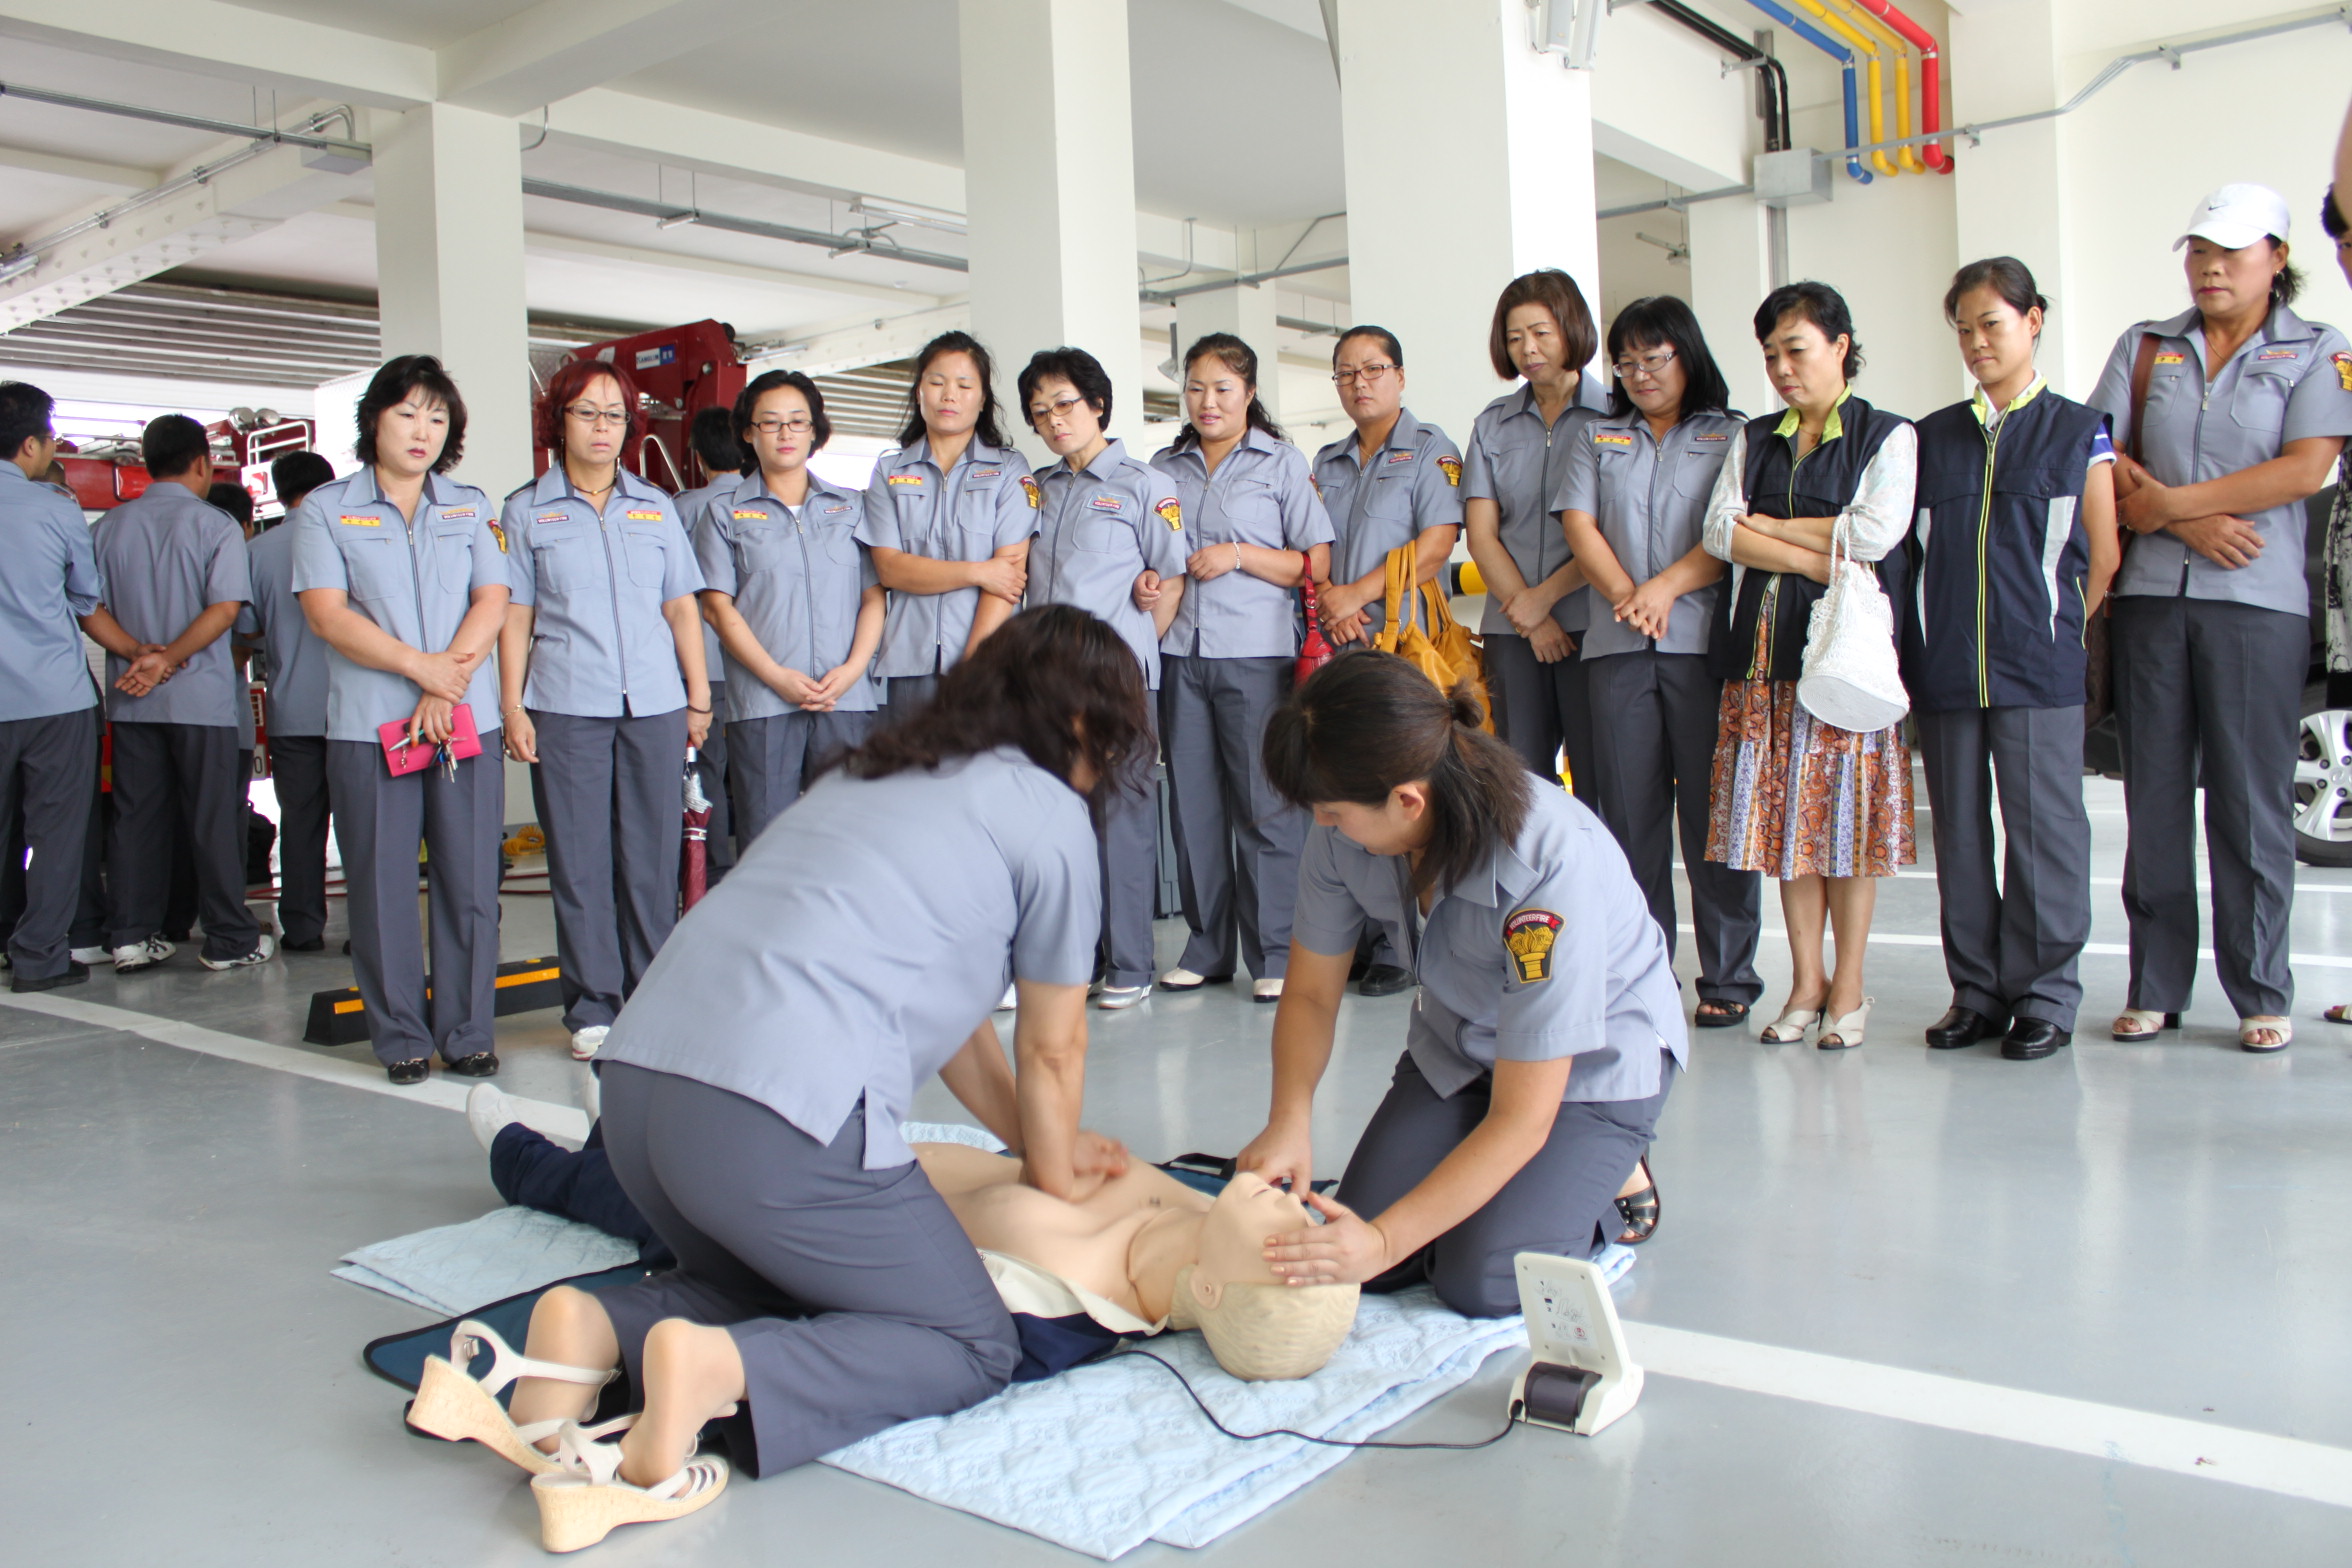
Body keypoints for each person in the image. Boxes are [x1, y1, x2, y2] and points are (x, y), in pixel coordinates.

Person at [417, 606, 1150, 1552]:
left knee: (807, 1292)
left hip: (638, 1095)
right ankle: (715, 1370)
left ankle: (591, 1331)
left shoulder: (878, 769)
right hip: (772, 1125)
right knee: (969, 1341)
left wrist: (1028, 1141)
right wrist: (1053, 1175)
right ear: (1087, 722)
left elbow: (962, 1025)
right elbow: (1053, 1048)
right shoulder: (1050, 816)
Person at [1232, 652, 1686, 1314]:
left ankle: (1612, 1169)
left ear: (1407, 800)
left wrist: (1385, 1241)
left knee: (1483, 1278)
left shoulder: (1546, 861)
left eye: (1331, 812)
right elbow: (1309, 994)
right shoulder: (1349, 825)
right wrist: (1288, 1120)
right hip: (1464, 1044)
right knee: (1356, 1250)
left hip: (1586, 1068)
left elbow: (1523, 1117)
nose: (1322, 826)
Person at [2089, 184, 2352, 1053]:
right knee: (2155, 798)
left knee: (2249, 804)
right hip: (2151, 600)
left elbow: (2305, 468)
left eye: (2231, 253)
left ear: (2277, 258)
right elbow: (2101, 450)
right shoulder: (2146, 346)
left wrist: (2170, 505)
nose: (2210, 268)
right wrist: (2183, 524)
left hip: (2256, 602)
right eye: (2199, 251)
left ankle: (2261, 991)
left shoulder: (2317, 351)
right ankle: (2156, 986)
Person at [1903, 259, 2121, 1062]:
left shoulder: (2078, 429)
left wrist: (2050, 631)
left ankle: (2045, 994)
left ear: (2033, 321)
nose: (1976, 342)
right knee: (1959, 835)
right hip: (1948, 669)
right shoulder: (1930, 438)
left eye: (1991, 323)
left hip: (2040, 668)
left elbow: (2102, 557)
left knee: (2044, 832)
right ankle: (1977, 992)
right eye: (1963, 328)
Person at [1701, 282, 1916, 1051]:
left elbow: (1877, 533)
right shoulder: (1755, 438)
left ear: (1840, 345)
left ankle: (1849, 987)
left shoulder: (1887, 435)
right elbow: (1720, 530)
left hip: (1840, 665)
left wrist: (1776, 530)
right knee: (1786, 831)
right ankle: (1806, 983)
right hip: (1761, 662)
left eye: (1796, 350)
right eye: (1770, 356)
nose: (1783, 369)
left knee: (1846, 831)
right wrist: (1814, 553)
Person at [292, 356, 510, 1085]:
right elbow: (327, 615)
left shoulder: (470, 506)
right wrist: (423, 671)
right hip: (372, 727)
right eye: (408, 413)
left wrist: (447, 684)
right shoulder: (327, 509)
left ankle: (468, 1032)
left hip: (461, 722)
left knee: (470, 884)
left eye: (437, 417)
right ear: (374, 420)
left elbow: (492, 598)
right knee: (382, 887)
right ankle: (402, 1039)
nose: (423, 430)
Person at [1556, 294, 1763, 1033]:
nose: (1640, 373)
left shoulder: (1732, 435)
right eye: (1627, 362)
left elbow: (1732, 532)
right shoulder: (1597, 436)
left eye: (1654, 357)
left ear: (1687, 355)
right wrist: (1627, 596)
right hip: (1616, 648)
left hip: (1702, 648)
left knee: (1713, 817)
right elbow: (1579, 523)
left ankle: (1729, 975)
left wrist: (1664, 588)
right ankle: (1642, 969)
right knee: (1628, 818)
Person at [499, 359, 710, 1062]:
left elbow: (681, 607)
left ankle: (652, 1000)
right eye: (586, 412)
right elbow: (516, 614)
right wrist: (512, 704)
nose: (601, 427)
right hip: (566, 704)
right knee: (580, 861)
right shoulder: (527, 510)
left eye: (615, 414)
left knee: (651, 858)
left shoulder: (654, 505)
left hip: (654, 704)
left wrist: (698, 696)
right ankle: (593, 1006)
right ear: (557, 421)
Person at [1150, 333, 1332, 1003]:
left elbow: (1315, 561)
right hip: (1180, 653)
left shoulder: (1281, 462)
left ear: (1249, 394)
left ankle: (1276, 952)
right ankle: (1206, 948)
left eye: (1222, 388)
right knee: (1193, 808)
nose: (1208, 401)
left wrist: (1239, 554)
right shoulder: (1163, 467)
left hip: (1257, 653)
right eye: (1195, 388)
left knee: (1266, 806)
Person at [1019, 347, 1188, 1010]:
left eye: (1064, 405)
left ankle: (1131, 964)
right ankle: (1079, 956)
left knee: (1122, 819)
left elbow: (1169, 580)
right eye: (1040, 412)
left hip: (1116, 684)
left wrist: (1134, 654)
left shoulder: (1146, 486)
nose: (1054, 421)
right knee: (1063, 823)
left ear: (1097, 405)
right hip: (1047, 686)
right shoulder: (1037, 489)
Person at [1309, 325, 1464, 998]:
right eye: (1346, 373)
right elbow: (1311, 542)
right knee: (1349, 792)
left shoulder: (1430, 449)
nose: (1359, 383)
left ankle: (1408, 945)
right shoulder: (1327, 460)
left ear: (1399, 376)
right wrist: (1332, 602)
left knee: (1408, 793)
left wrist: (1357, 595)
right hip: (1342, 650)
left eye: (1372, 369)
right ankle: (1367, 937)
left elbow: (1436, 545)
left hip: (1405, 650)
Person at [89, 414, 273, 974]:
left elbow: (88, 608)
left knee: (135, 818)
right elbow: (225, 610)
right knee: (212, 818)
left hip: (131, 700)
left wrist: (137, 655)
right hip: (202, 705)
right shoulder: (215, 525)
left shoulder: (107, 528)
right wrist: (167, 659)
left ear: (147, 464)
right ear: (201, 463)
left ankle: (130, 936)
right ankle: (228, 939)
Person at [693, 370, 885, 845]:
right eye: (771, 422)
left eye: (798, 421)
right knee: (766, 839)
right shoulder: (723, 513)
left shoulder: (851, 507)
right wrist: (777, 678)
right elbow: (717, 608)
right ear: (748, 432)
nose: (785, 433)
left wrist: (852, 670)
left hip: (845, 698)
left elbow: (873, 596)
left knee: (846, 839)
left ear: (815, 431)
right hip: (764, 702)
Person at [0, 382, 143, 992]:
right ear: (31, 445)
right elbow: (86, 602)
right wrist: (139, 651)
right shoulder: (55, 508)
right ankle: (39, 957)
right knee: (56, 833)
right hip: (54, 699)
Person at [1463, 268, 1610, 793]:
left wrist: (1544, 599)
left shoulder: (1616, 418)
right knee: (1520, 782)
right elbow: (1481, 534)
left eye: (1541, 332)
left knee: (1601, 777)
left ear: (1572, 328)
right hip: (1513, 628)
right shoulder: (1492, 424)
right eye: (1514, 337)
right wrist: (1530, 617)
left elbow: (1612, 531)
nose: (1528, 349)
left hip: (1597, 623)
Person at [859, 330, 1034, 714]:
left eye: (964, 385)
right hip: (909, 660)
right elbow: (890, 569)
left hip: (991, 665)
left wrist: (972, 668)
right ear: (919, 392)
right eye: (937, 383)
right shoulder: (890, 471)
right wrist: (978, 571)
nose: (949, 395)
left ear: (983, 398)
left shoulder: (1009, 470)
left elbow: (1007, 579)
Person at [240, 449, 339, 950]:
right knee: (366, 824)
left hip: (292, 709)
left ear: (279, 494)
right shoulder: (348, 536)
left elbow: (246, 629)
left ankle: (301, 928)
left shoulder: (258, 551)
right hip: (353, 712)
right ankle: (371, 929)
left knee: (300, 822)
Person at [671, 407, 747, 881]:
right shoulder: (760, 501)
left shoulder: (679, 508)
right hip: (761, 668)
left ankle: (709, 873)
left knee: (704, 773)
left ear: (698, 456)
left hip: (703, 667)